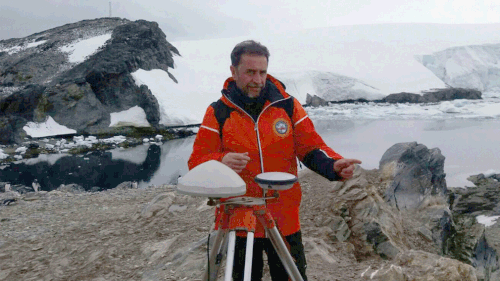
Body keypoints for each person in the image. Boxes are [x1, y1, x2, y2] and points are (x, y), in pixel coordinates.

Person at [188, 40, 361, 281]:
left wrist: (333, 166)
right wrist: (221, 160)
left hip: (283, 216)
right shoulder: (219, 111)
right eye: (250, 72)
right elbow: (196, 162)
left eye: (262, 72)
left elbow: (311, 147)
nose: (258, 80)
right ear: (233, 71)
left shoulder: (288, 106)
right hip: (239, 216)